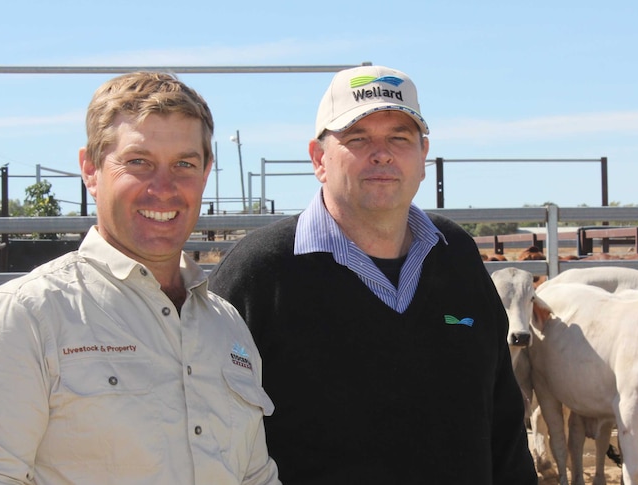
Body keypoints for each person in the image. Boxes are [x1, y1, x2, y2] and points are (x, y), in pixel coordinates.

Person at [0, 72, 280, 485]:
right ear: (90, 168)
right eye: (138, 162)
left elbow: (255, 477)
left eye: (184, 164)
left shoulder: (226, 326)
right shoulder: (24, 319)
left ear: (206, 172)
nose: (164, 188)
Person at [209, 65, 537, 484]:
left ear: (423, 156)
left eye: (399, 138)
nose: (381, 153)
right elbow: (213, 430)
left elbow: (504, 418)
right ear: (318, 159)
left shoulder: (455, 255)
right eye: (357, 138)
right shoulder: (262, 269)